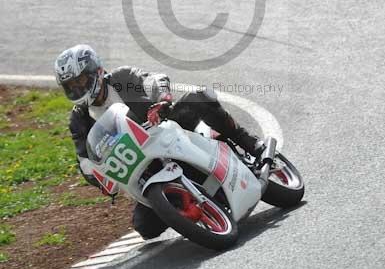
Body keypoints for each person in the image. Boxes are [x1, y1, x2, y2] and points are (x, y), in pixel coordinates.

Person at [54, 44, 265, 239]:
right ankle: (189, 204)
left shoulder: (121, 78)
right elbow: (85, 159)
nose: (77, 89)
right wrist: (98, 178)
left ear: (96, 71)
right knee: (145, 228)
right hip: (140, 167)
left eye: (80, 81)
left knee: (198, 98)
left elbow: (153, 80)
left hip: (166, 131)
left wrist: (162, 99)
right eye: (70, 85)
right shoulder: (79, 120)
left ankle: (248, 143)